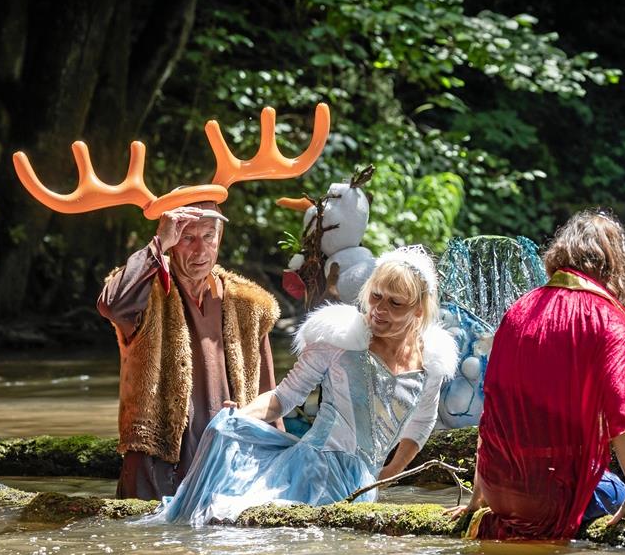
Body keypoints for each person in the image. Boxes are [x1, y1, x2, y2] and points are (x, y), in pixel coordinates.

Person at [146, 246, 459, 525]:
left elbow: (420, 424)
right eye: (376, 296)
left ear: (419, 309)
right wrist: (243, 415)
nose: (380, 310)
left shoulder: (430, 363)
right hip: (312, 471)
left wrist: (388, 476)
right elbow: (285, 396)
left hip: (364, 483)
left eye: (396, 303)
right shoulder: (338, 340)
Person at [450, 210, 625, 540]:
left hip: (498, 491)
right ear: (613, 266)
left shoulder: (518, 311)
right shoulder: (607, 318)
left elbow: (491, 411)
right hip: (553, 497)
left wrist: (480, 496)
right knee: (615, 490)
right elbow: (623, 415)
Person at [98, 202, 281, 500]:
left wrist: (274, 471)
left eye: (209, 236)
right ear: (171, 242)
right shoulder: (148, 291)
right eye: (187, 238)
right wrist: (158, 244)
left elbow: (268, 396)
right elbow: (111, 304)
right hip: (156, 464)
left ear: (220, 238)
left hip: (231, 465)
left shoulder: (250, 305)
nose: (200, 250)